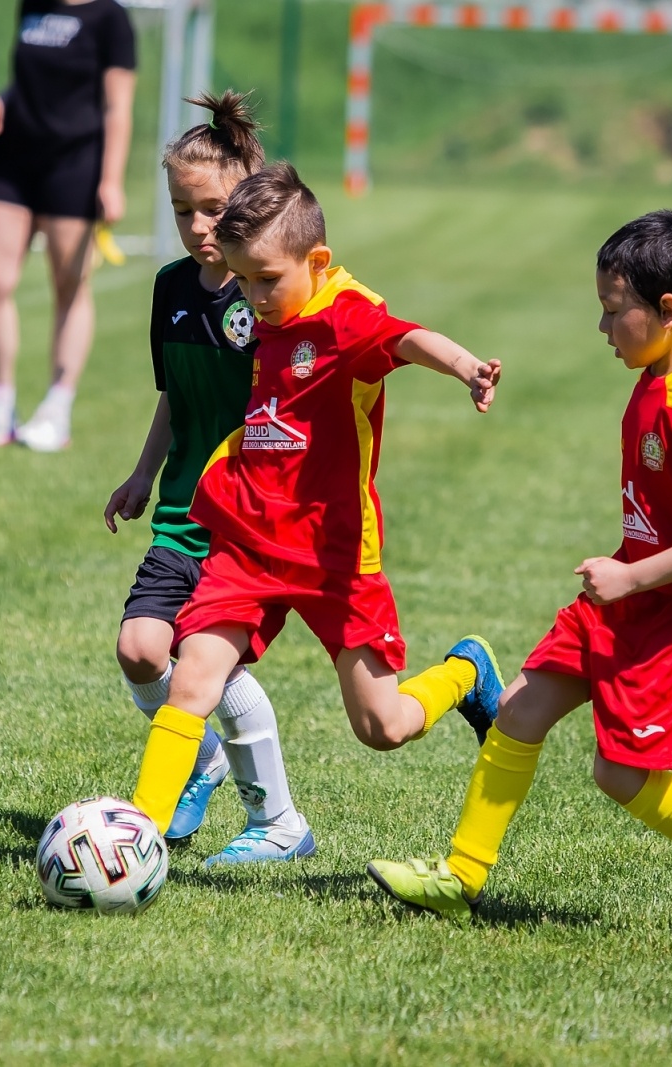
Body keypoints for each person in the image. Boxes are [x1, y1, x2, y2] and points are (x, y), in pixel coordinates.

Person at [366, 210, 672, 936]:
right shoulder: (658, 371)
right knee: (519, 709)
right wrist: (630, 577)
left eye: (612, 310)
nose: (602, 327)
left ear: (668, 311)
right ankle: (460, 878)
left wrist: (632, 578)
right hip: (637, 589)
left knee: (620, 773)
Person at [124, 163, 506, 844]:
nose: (253, 297)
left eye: (266, 280)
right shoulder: (266, 303)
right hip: (249, 539)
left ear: (317, 261)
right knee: (194, 678)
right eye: (243, 279)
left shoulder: (345, 314)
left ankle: (465, 672)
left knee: (382, 726)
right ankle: (140, 832)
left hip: (334, 553)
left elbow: (406, 338)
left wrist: (467, 367)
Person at [103, 93, 312, 865]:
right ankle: (203, 760)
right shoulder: (169, 288)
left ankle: (279, 820)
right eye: (182, 210)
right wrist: (141, 473)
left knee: (203, 662)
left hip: (246, 522)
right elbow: (176, 394)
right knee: (138, 648)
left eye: (213, 210)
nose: (197, 227)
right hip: (181, 510)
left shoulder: (270, 299)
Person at [0, 0, 137, 452]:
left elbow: (117, 106)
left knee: (69, 283)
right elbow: (30, 80)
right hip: (14, 159)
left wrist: (111, 180)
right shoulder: (33, 5)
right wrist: (0, 100)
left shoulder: (110, 18)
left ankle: (56, 409)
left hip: (75, 164)